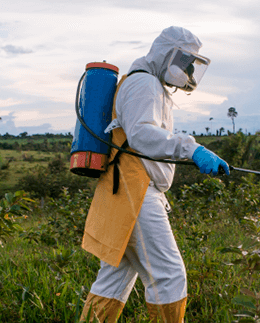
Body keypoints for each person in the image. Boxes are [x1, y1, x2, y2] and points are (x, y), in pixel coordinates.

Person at [79, 26, 229, 323]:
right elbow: (142, 135)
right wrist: (192, 149)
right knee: (169, 275)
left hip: (127, 189)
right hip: (136, 189)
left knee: (115, 278)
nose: (186, 71)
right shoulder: (144, 84)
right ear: (167, 54)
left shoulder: (147, 83)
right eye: (184, 62)